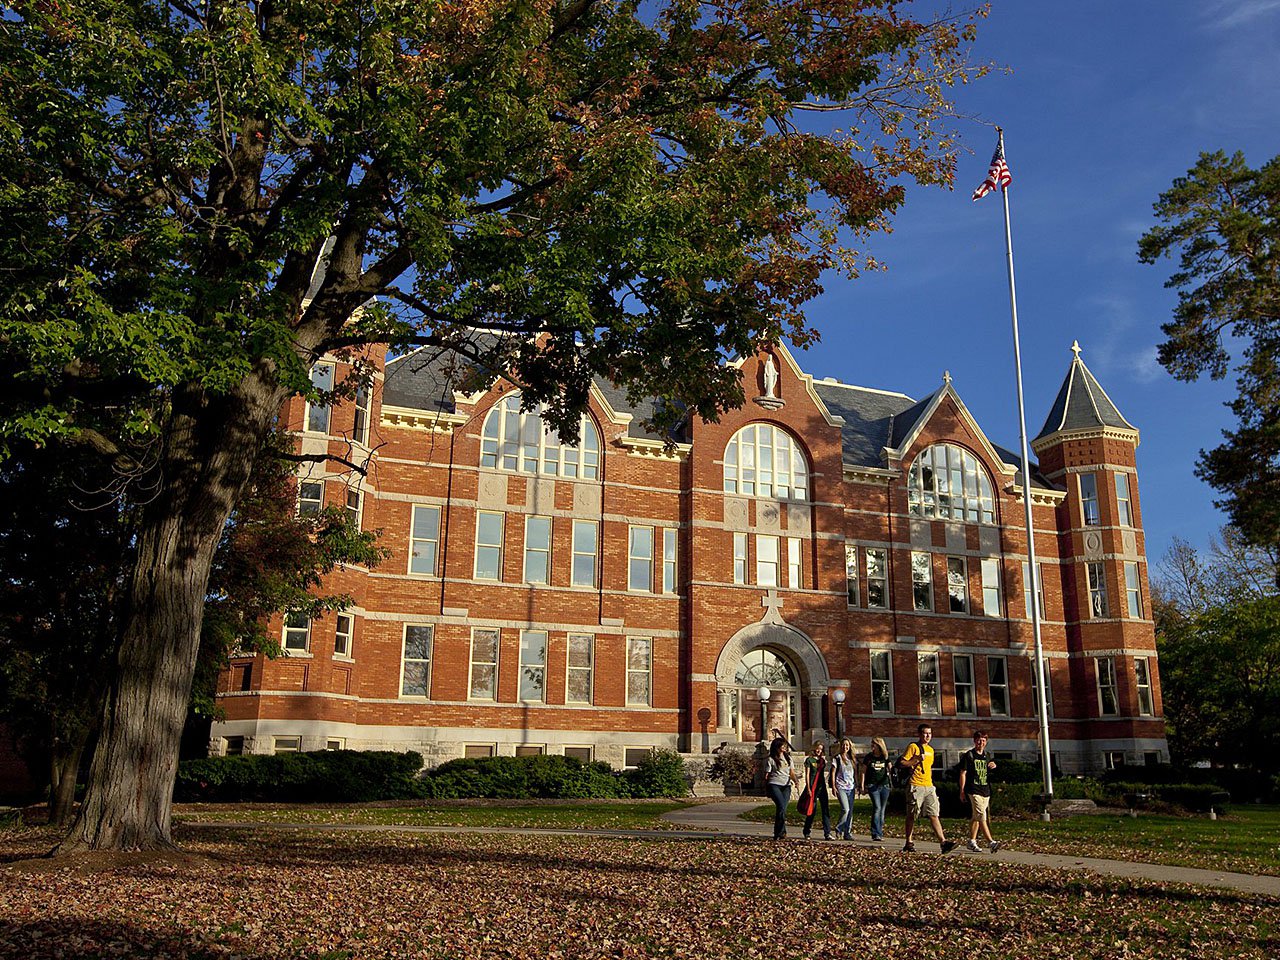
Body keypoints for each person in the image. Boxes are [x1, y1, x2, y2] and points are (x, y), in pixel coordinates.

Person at [898, 723, 957, 854]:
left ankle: (943, 842)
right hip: (915, 785)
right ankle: (909, 841)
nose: (928, 736)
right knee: (912, 814)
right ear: (919, 734)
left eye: (930, 733)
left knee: (934, 814)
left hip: (929, 786)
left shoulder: (931, 750)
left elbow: (928, 768)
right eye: (925, 733)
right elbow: (902, 762)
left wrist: (931, 783)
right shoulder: (913, 747)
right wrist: (915, 760)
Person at [958, 730, 1001, 853]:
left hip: (985, 790)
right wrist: (962, 790)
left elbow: (989, 769)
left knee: (976, 816)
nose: (981, 743)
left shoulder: (986, 756)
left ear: (986, 742)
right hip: (973, 789)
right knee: (982, 815)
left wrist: (993, 765)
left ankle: (971, 841)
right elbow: (963, 773)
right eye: (979, 740)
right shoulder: (969, 755)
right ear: (974, 741)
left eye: (983, 740)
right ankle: (991, 842)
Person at [858, 736, 892, 842]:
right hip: (873, 785)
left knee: (882, 810)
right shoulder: (869, 757)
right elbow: (863, 772)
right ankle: (875, 833)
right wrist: (862, 785)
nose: (872, 746)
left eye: (874, 744)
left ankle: (879, 832)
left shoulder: (885, 757)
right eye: (872, 743)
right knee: (877, 808)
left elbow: (891, 769)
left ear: (879, 745)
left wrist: (893, 780)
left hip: (884, 785)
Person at [765, 737, 796, 840]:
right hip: (774, 784)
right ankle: (780, 832)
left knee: (782, 809)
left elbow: (791, 772)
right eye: (782, 746)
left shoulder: (788, 759)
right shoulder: (771, 759)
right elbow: (767, 774)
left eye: (785, 746)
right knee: (781, 806)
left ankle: (779, 832)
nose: (784, 748)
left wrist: (795, 780)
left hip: (786, 785)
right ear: (776, 747)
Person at [799, 741, 832, 840]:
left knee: (825, 810)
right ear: (814, 748)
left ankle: (827, 833)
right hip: (812, 788)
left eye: (821, 749)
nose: (819, 751)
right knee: (812, 809)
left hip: (821, 787)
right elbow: (807, 775)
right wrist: (808, 788)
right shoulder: (809, 760)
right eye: (818, 748)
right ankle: (807, 831)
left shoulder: (822, 760)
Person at [830, 738, 858, 840]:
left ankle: (848, 832)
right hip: (841, 786)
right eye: (843, 745)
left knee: (850, 811)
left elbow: (855, 773)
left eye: (847, 745)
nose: (845, 747)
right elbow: (833, 773)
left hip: (851, 787)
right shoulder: (837, 758)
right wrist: (833, 786)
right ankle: (839, 828)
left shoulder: (852, 759)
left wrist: (857, 785)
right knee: (845, 809)